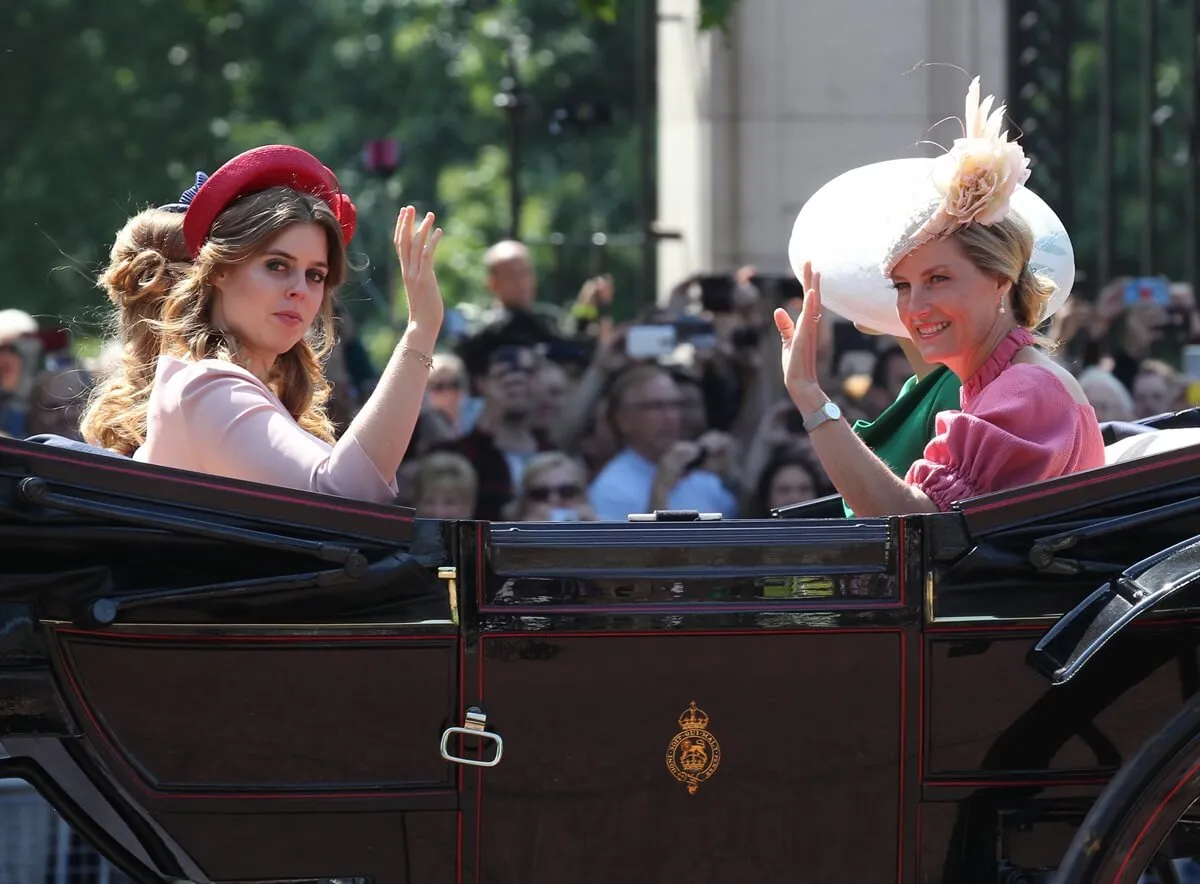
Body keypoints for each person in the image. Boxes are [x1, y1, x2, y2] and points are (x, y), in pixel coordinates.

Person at [778, 77, 1104, 516]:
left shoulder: (1028, 388)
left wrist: (809, 394)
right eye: (903, 286)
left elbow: (916, 524)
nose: (915, 308)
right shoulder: (995, 384)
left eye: (939, 279)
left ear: (1000, 280)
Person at [90, 145, 444, 503]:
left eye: (315, 275)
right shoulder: (205, 387)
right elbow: (346, 496)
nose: (300, 291)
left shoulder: (236, 391)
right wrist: (420, 331)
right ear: (219, 270)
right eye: (277, 265)